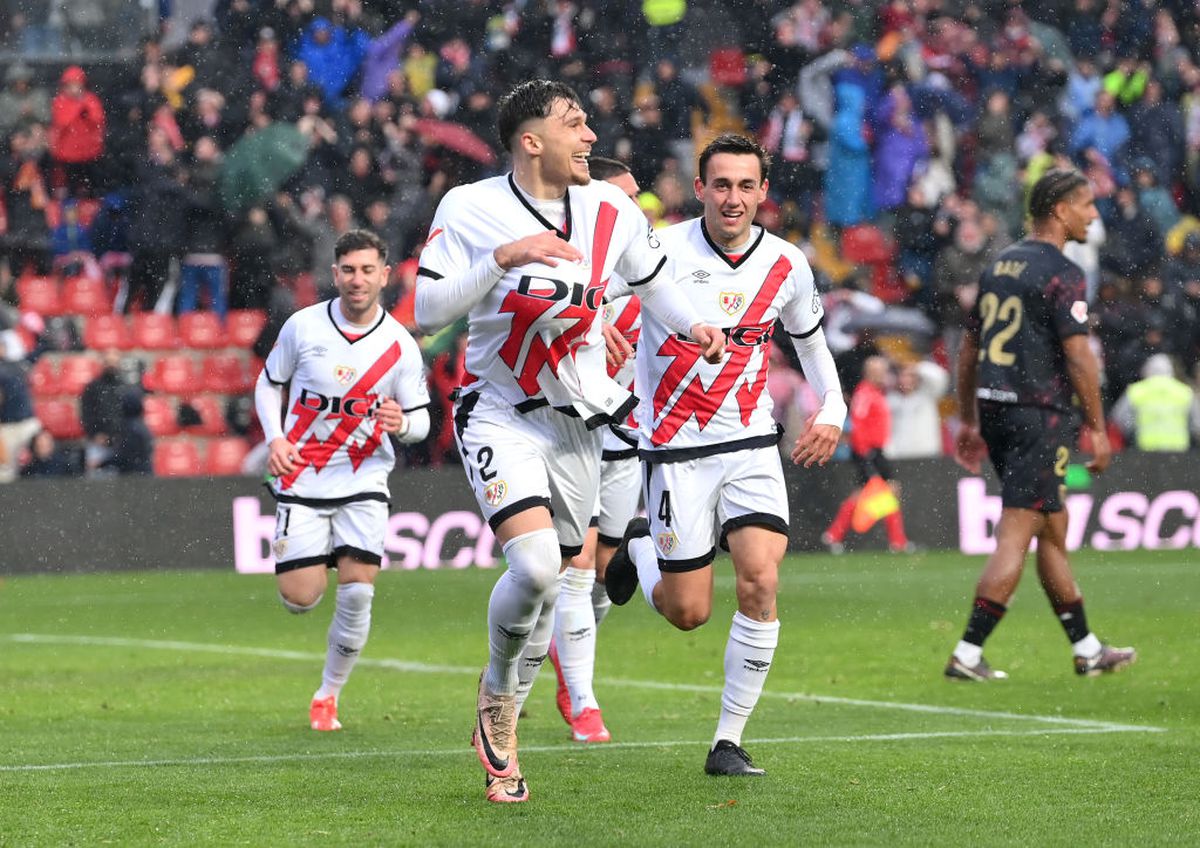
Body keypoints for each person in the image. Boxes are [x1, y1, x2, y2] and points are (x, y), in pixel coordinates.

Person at [413, 79, 723, 804]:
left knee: (556, 585)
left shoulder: (611, 209)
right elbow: (426, 311)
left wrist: (695, 327)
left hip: (579, 424)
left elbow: (656, 285)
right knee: (536, 568)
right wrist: (502, 259)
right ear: (531, 141)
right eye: (574, 124)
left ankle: (507, 716)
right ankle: (497, 699)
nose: (590, 136)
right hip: (499, 411)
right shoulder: (470, 207)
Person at [603, 133, 846, 777]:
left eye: (746, 186)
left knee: (761, 579)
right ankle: (637, 549)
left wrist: (833, 409)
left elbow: (813, 346)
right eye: (721, 185)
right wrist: (600, 327)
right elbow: (600, 299)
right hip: (675, 449)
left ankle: (727, 741)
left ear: (763, 192)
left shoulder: (787, 263)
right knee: (688, 613)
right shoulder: (661, 251)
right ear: (701, 189)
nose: (733, 198)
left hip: (750, 443)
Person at [950, 169, 1136, 682]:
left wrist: (968, 418)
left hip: (996, 408)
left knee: (1052, 528)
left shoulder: (998, 264)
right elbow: (1079, 357)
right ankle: (967, 652)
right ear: (1059, 210)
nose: (1093, 214)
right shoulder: (1061, 272)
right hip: (1038, 414)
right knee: (1018, 529)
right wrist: (1098, 428)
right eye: (1086, 205)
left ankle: (1088, 648)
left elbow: (969, 351)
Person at [253, 228, 431, 733]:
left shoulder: (400, 345)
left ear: (385, 275)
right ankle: (316, 555)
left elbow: (420, 421)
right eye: (348, 270)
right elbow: (269, 385)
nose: (358, 280)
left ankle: (327, 696)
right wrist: (276, 438)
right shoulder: (303, 327)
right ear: (335, 274)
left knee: (357, 593)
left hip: (365, 479)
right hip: (303, 476)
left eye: (367, 270)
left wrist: (403, 424)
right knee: (300, 599)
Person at [544, 156, 643, 744]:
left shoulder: (655, 267)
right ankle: (585, 704)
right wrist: (581, 323)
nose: (635, 208)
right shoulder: (567, 260)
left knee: (607, 574)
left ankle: (567, 655)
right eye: (624, 198)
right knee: (576, 567)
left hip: (627, 440)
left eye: (639, 198)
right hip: (573, 433)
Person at [821, 355, 914, 553]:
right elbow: (859, 425)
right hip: (869, 451)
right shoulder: (865, 393)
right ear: (870, 372)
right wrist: (865, 455)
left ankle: (834, 535)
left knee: (871, 493)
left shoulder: (873, 392)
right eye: (879, 370)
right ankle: (897, 542)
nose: (883, 374)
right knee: (886, 491)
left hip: (873, 451)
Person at [1110, 353, 1200, 451]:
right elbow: (1196, 424)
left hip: (1144, 449)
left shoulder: (1136, 391)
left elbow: (1118, 418)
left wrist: (1133, 434)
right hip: (1179, 450)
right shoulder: (1184, 392)